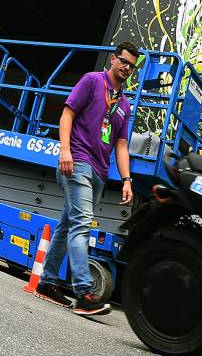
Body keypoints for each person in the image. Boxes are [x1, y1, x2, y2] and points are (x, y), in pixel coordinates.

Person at [35, 42, 139, 315]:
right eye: (124, 62)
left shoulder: (124, 105)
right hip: (78, 161)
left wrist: (126, 179)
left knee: (68, 223)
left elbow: (120, 144)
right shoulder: (92, 81)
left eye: (132, 65)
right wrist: (65, 150)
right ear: (114, 59)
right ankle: (83, 292)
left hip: (99, 172)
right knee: (82, 222)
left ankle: (47, 282)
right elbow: (67, 113)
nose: (127, 68)